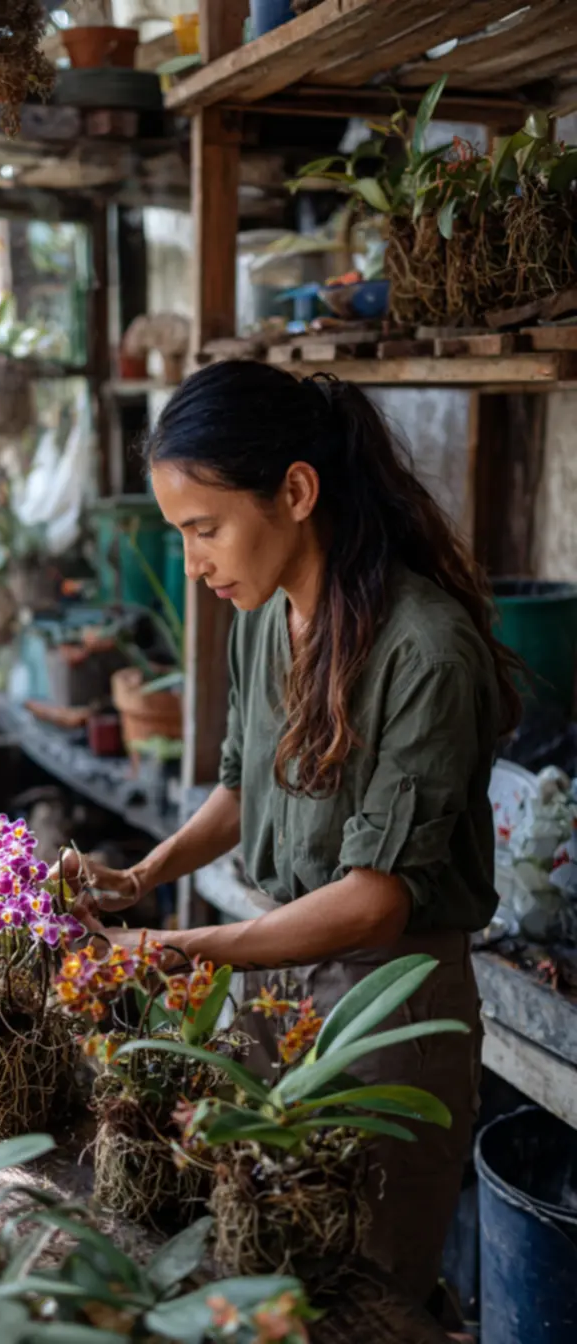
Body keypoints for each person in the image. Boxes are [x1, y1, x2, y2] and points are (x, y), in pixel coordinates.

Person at [67, 360, 520, 1310]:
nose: (193, 564)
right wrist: (143, 875)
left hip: (389, 1002)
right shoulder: (265, 617)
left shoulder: (424, 650)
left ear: (298, 491)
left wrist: (181, 947)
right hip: (280, 988)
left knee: (367, 1294)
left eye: (205, 529)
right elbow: (243, 785)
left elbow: (375, 899)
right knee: (273, 1284)